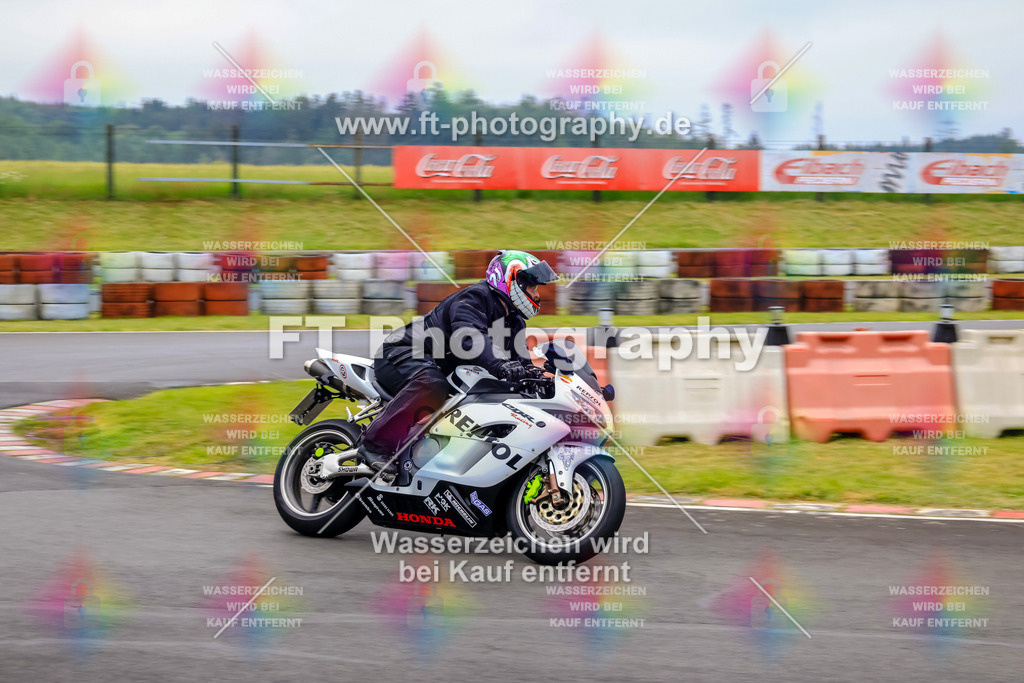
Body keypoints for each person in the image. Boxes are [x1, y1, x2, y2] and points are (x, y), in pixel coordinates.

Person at [357, 250, 558, 474]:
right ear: (510, 279)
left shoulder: (515, 322)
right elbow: (469, 337)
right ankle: (373, 445)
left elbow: (522, 364)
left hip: (435, 367)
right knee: (432, 383)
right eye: (532, 287)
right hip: (402, 352)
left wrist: (546, 381)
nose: (537, 295)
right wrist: (501, 365)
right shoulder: (475, 297)